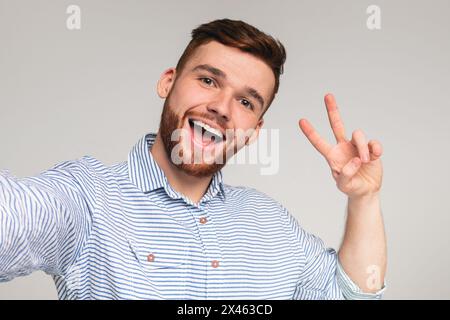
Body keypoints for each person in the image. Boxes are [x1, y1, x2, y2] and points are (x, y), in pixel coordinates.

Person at [0, 19, 386, 299]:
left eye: (246, 101)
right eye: (208, 80)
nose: (221, 107)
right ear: (168, 81)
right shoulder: (87, 196)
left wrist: (364, 198)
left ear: (254, 130)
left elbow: (349, 294)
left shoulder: (272, 224)